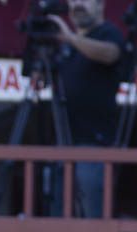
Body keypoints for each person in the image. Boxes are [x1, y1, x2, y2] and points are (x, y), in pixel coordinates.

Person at [47, 0, 122, 219]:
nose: (78, 4)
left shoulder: (108, 32)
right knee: (57, 212)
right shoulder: (63, 44)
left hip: (94, 144)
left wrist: (70, 37)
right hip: (63, 141)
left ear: (101, 5)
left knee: (93, 214)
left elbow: (111, 54)